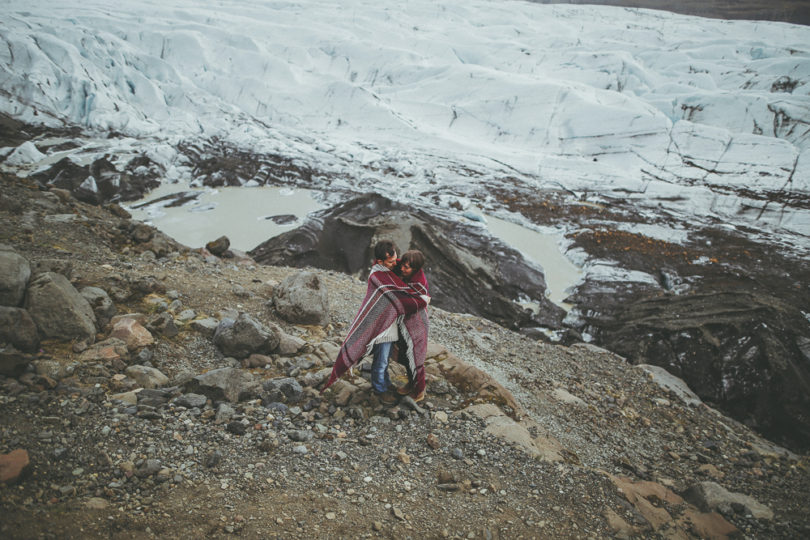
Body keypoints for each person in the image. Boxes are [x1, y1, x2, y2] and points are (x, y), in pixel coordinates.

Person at [321, 241, 430, 406]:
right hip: (381, 327)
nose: (397, 265)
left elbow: (413, 284)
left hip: (395, 325)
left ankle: (389, 384)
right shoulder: (377, 277)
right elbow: (399, 300)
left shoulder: (395, 269)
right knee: (381, 361)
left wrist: (419, 298)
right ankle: (380, 390)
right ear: (380, 262)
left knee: (402, 356)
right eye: (392, 262)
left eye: (396, 259)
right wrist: (420, 301)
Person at [392, 250, 430, 402]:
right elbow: (390, 263)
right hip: (402, 323)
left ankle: (419, 391)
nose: (402, 269)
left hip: (416, 324)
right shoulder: (404, 269)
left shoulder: (418, 284)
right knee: (404, 355)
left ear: (415, 268)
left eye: (407, 267)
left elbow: (407, 304)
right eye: (403, 265)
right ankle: (411, 382)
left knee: (415, 358)